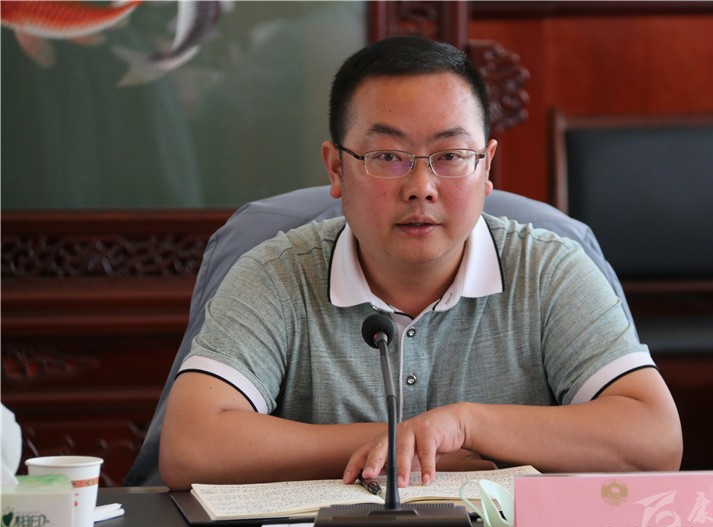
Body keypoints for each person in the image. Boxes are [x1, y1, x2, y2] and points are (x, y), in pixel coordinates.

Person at [159, 36, 682, 491]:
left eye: (450, 156)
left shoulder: (549, 269)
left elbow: (655, 440)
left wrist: (467, 426)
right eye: (388, 157)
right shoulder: (276, 272)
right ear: (336, 169)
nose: (421, 188)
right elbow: (190, 446)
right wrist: (402, 444)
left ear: (486, 167)